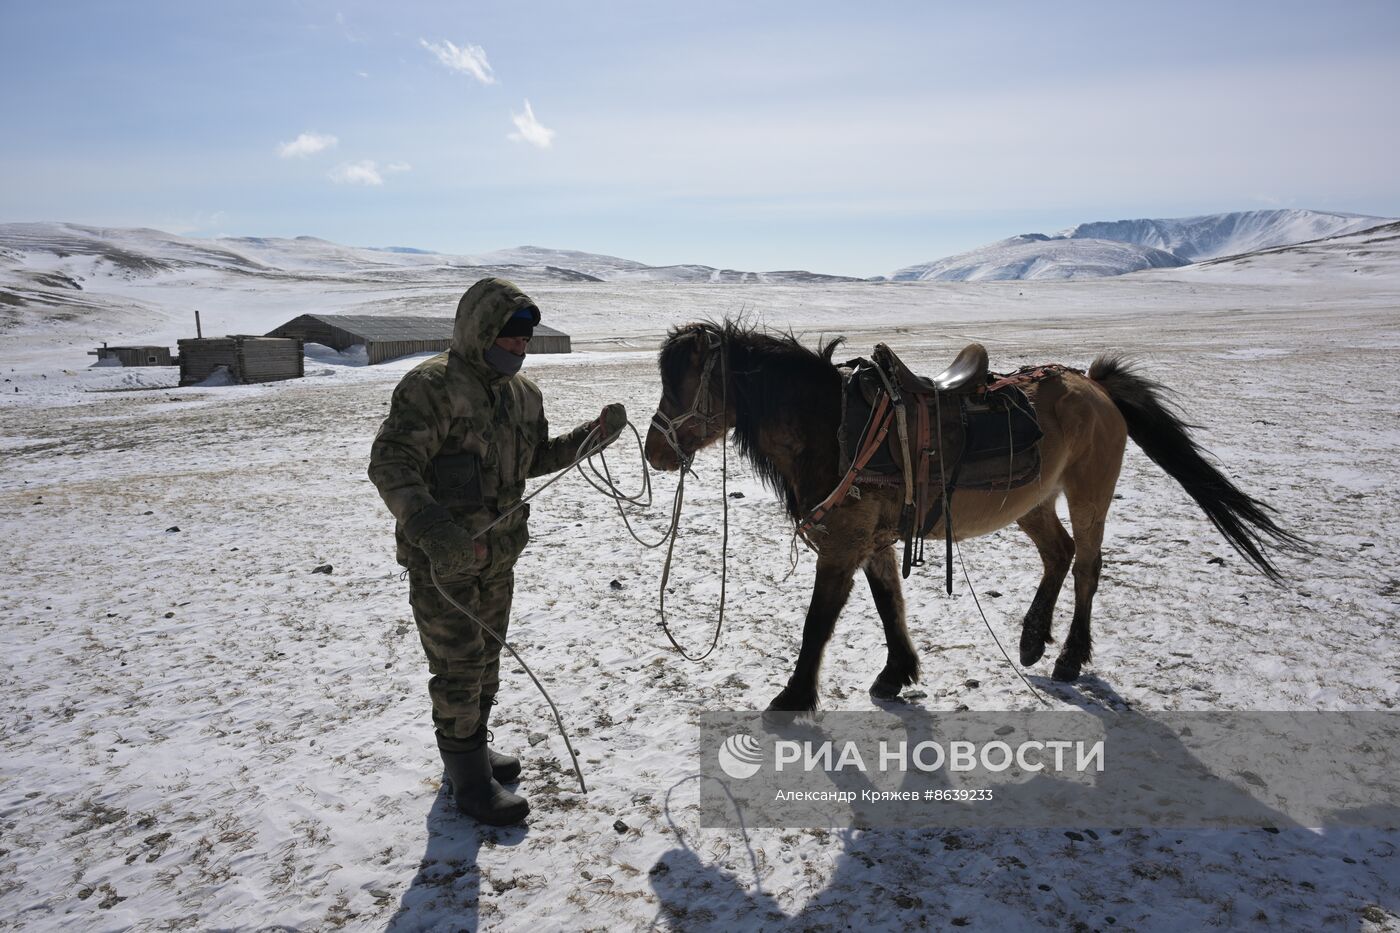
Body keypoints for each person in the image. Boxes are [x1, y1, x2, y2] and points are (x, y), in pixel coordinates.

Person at [368, 277, 625, 825]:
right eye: (509, 334)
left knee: (486, 664)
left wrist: (593, 436)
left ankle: (472, 750)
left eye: (526, 336)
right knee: (458, 667)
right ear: (479, 329)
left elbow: (535, 457)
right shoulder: (430, 387)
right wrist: (436, 532)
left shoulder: (523, 395)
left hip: (499, 558)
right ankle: (467, 784)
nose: (519, 345)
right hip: (444, 563)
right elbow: (391, 465)